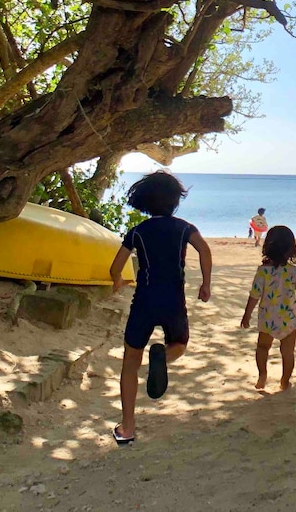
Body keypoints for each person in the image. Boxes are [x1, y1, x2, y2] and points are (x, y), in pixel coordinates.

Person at [108, 171, 212, 445]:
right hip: (173, 300)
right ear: (175, 201)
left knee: (130, 361)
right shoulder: (184, 228)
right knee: (178, 345)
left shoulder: (138, 232)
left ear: (145, 202)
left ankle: (127, 427)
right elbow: (204, 250)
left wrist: (118, 280)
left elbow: (115, 266)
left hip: (144, 300)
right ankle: (162, 360)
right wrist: (206, 284)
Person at [240, 225, 296, 391]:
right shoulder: (294, 272)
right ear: (292, 249)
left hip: (267, 319)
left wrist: (246, 315)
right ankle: (285, 381)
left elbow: (254, 295)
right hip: (288, 319)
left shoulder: (262, 272)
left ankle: (262, 375)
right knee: (287, 352)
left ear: (267, 247)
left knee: (262, 348)